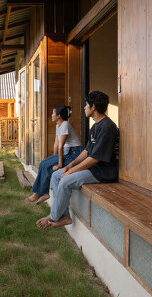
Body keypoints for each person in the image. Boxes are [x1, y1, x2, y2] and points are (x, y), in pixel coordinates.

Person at [36, 91, 119, 228]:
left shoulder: (107, 127)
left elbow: (94, 159)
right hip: (93, 168)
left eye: (86, 105)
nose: (84, 107)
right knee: (56, 175)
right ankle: (65, 216)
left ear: (93, 107)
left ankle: (53, 216)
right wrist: (71, 165)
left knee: (65, 180)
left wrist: (71, 171)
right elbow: (87, 151)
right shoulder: (95, 126)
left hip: (103, 172)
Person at [25, 105, 82, 205]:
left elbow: (60, 146)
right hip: (66, 153)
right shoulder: (58, 125)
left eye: (53, 113)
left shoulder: (65, 125)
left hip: (74, 154)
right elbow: (55, 144)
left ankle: (39, 193)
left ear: (58, 115)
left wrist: (59, 164)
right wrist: (53, 159)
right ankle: (43, 193)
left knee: (48, 167)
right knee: (44, 163)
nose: (51, 115)